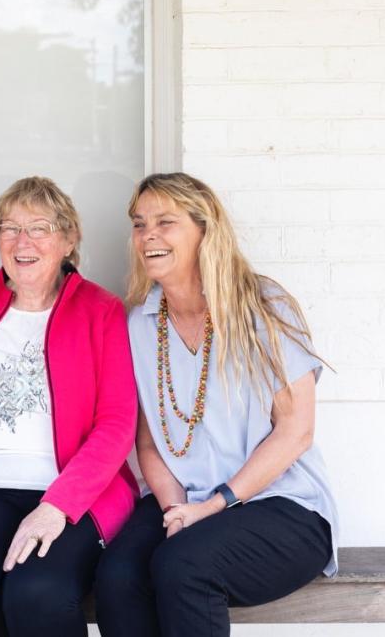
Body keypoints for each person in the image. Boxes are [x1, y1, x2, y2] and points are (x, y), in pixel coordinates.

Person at [95, 172, 338, 637]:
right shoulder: (141, 323)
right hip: (183, 496)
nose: (149, 236)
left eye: (166, 222)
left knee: (183, 566)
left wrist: (213, 508)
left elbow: (296, 431)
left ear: (205, 230)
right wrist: (176, 511)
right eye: (139, 224)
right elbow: (147, 442)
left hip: (280, 504)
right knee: (117, 577)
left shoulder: (264, 306)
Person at [0, 176, 138, 637]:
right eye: (9, 228)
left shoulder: (101, 310)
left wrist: (57, 506)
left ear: (69, 239)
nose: (22, 241)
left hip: (69, 491)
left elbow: (116, 424)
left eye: (39, 227)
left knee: (39, 593)